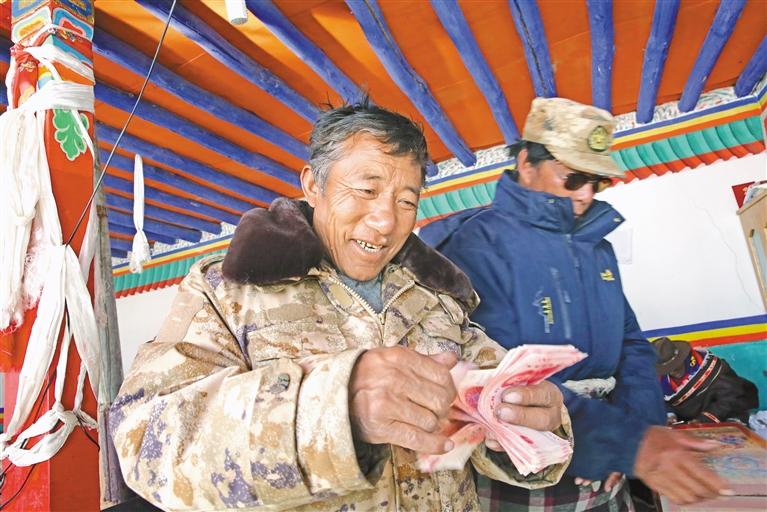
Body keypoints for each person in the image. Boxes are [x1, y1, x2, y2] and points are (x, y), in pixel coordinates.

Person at [108, 100, 572, 511]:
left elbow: (503, 407)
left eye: (406, 201)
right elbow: (146, 444)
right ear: (314, 185)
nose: (387, 220)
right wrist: (331, 407)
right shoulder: (228, 290)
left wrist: (536, 423)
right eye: (367, 191)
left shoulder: (436, 299)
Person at [420, 97, 732, 509]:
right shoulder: (475, 245)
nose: (585, 194)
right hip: (527, 471)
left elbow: (631, 343)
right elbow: (496, 380)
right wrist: (626, 444)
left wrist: (639, 430)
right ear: (527, 163)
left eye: (596, 181)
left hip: (610, 463)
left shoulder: (597, 248)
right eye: (572, 177)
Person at [655, 337, 759, 424]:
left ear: (682, 358)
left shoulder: (713, 368)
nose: (672, 372)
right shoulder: (661, 380)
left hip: (723, 415)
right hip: (689, 423)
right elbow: (663, 402)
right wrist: (670, 415)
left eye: (675, 367)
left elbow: (731, 397)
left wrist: (705, 419)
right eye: (667, 369)